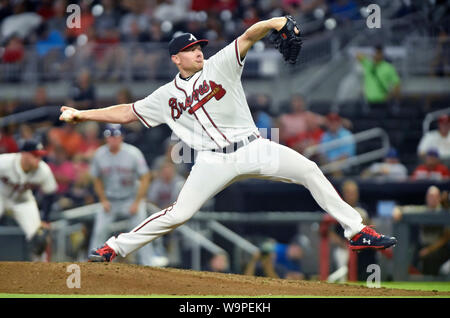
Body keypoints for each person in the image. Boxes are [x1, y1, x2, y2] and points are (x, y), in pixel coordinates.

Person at [59, 16, 397, 263]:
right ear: (176, 58)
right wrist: (81, 114)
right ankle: (114, 248)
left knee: (309, 169)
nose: (198, 52)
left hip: (253, 147)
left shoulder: (220, 65)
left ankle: (356, 231)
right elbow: (127, 113)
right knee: (179, 214)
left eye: (199, 47)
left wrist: (278, 21)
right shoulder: (164, 96)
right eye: (191, 50)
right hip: (211, 160)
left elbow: (249, 35)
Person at [88, 124, 154, 265]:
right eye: (109, 136)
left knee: (143, 231)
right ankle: (93, 263)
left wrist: (137, 202)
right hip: (110, 200)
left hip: (131, 199)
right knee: (99, 230)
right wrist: (103, 200)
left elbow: (146, 177)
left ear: (122, 137)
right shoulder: (99, 154)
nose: (112, 139)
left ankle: (149, 264)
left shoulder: (133, 153)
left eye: (115, 136)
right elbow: (96, 178)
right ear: (106, 138)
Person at [0, 139, 57, 260]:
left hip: (23, 201)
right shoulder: (4, 162)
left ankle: (42, 272)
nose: (39, 159)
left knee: (39, 238)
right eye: (35, 155)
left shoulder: (43, 170)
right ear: (24, 154)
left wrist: (45, 219)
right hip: (1, 195)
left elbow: (50, 193)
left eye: (40, 156)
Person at [393, 186, 450, 276]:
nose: (432, 199)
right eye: (430, 196)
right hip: (423, 246)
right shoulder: (423, 210)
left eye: (435, 196)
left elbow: (446, 237)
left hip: (439, 248)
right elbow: (403, 209)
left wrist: (429, 250)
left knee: (432, 259)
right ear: (426, 198)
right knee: (411, 255)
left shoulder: (444, 211)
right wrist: (397, 210)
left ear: (439, 198)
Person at [356, 45, 401, 112]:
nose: (377, 55)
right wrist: (370, 54)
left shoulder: (388, 67)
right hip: (369, 102)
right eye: (376, 53)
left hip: (383, 102)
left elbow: (397, 83)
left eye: (378, 53)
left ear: (382, 54)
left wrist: (391, 96)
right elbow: (358, 55)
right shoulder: (369, 65)